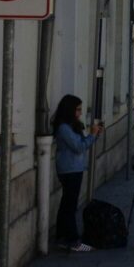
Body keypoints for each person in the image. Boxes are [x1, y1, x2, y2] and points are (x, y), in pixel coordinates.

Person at [51, 94, 103, 252]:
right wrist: (92, 135)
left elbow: (81, 144)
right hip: (69, 169)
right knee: (70, 205)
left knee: (66, 203)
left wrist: (94, 135)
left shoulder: (70, 126)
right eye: (78, 109)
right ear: (70, 110)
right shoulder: (64, 128)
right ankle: (73, 240)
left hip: (74, 168)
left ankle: (62, 237)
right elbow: (79, 147)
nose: (80, 113)